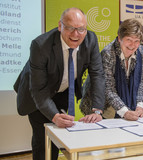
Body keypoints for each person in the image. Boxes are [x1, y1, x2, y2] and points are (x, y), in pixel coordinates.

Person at [13, 8, 105, 160]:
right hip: (37, 92)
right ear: (60, 26)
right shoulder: (40, 45)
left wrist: (97, 109)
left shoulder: (91, 40)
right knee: (42, 140)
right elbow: (39, 89)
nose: (76, 35)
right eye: (70, 28)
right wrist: (54, 116)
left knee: (59, 137)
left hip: (62, 91)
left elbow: (97, 75)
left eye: (81, 29)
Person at [80, 18, 143, 121]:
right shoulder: (108, 54)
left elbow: (140, 82)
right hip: (103, 105)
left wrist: (140, 106)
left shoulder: (141, 52)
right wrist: (125, 112)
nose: (133, 45)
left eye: (136, 41)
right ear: (120, 38)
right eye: (129, 40)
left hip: (126, 104)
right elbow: (108, 89)